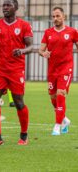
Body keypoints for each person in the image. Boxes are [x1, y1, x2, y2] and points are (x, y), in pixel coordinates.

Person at [0, 0, 33, 146]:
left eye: (8, 5)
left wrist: (22, 50)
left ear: (15, 8)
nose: (5, 7)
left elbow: (30, 46)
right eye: (3, 5)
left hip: (16, 69)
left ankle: (24, 135)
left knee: (19, 102)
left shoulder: (24, 25)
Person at [39, 7, 78, 135]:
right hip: (52, 69)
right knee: (53, 97)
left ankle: (57, 125)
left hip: (66, 68)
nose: (55, 19)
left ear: (64, 17)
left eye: (57, 16)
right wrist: (43, 53)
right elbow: (41, 50)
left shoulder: (72, 32)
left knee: (60, 93)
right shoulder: (48, 32)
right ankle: (65, 120)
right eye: (53, 16)